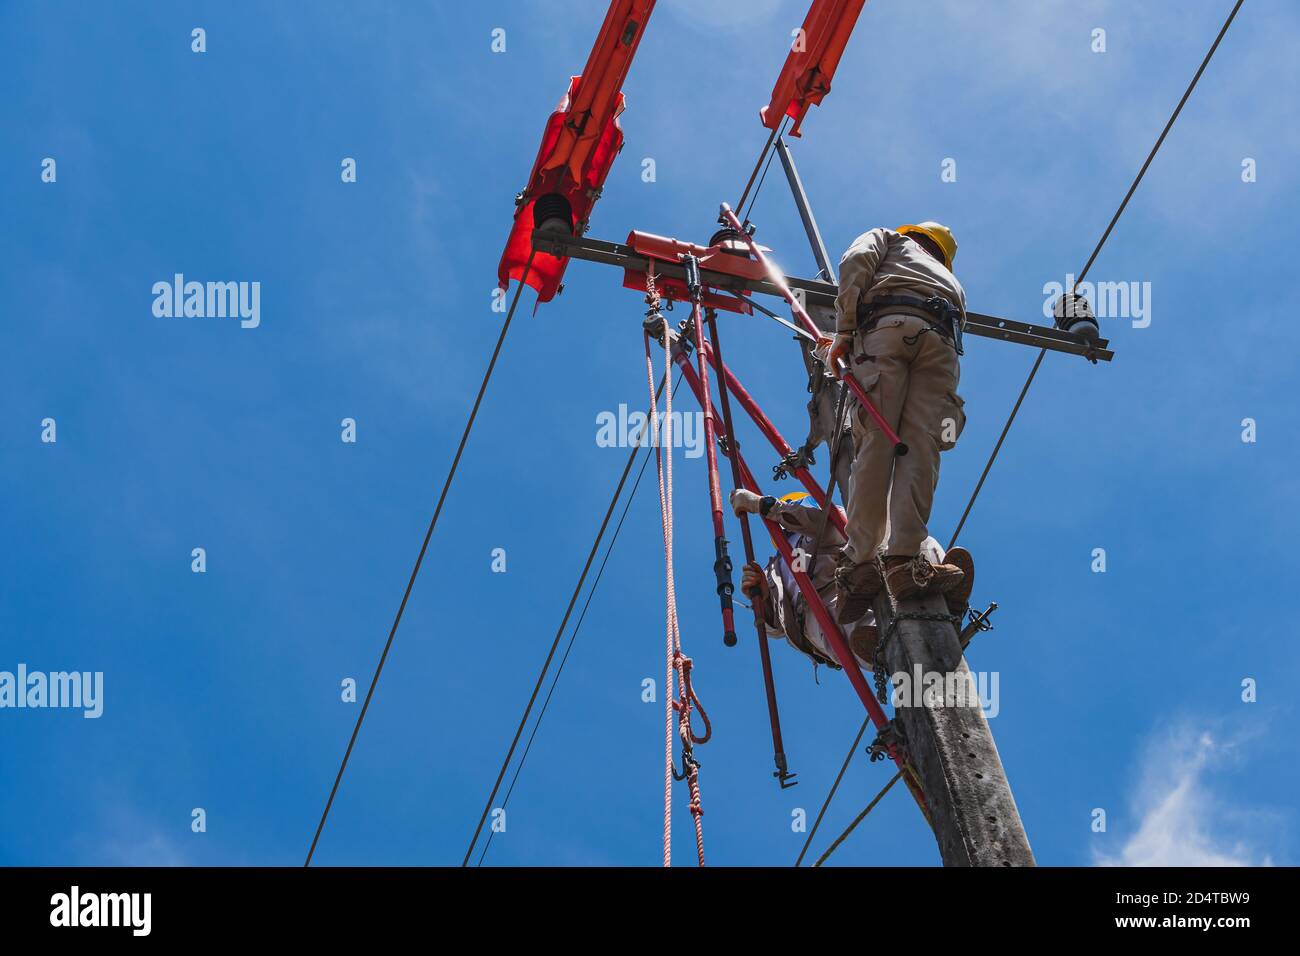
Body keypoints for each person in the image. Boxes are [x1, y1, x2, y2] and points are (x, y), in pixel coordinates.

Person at [825, 222, 971, 620]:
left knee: (878, 441)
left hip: (887, 327)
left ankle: (859, 562)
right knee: (921, 448)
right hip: (942, 347)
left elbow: (855, 261)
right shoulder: (950, 281)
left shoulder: (888, 238)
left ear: (915, 234)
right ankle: (904, 561)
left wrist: (844, 331)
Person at [730, 489, 972, 673]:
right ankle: (883, 647)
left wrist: (765, 505)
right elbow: (777, 629)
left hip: (853, 580)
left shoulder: (824, 519)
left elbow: (826, 524)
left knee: (906, 536)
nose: (795, 508)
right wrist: (762, 596)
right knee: (840, 622)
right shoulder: (775, 568)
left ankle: (939, 584)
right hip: (819, 608)